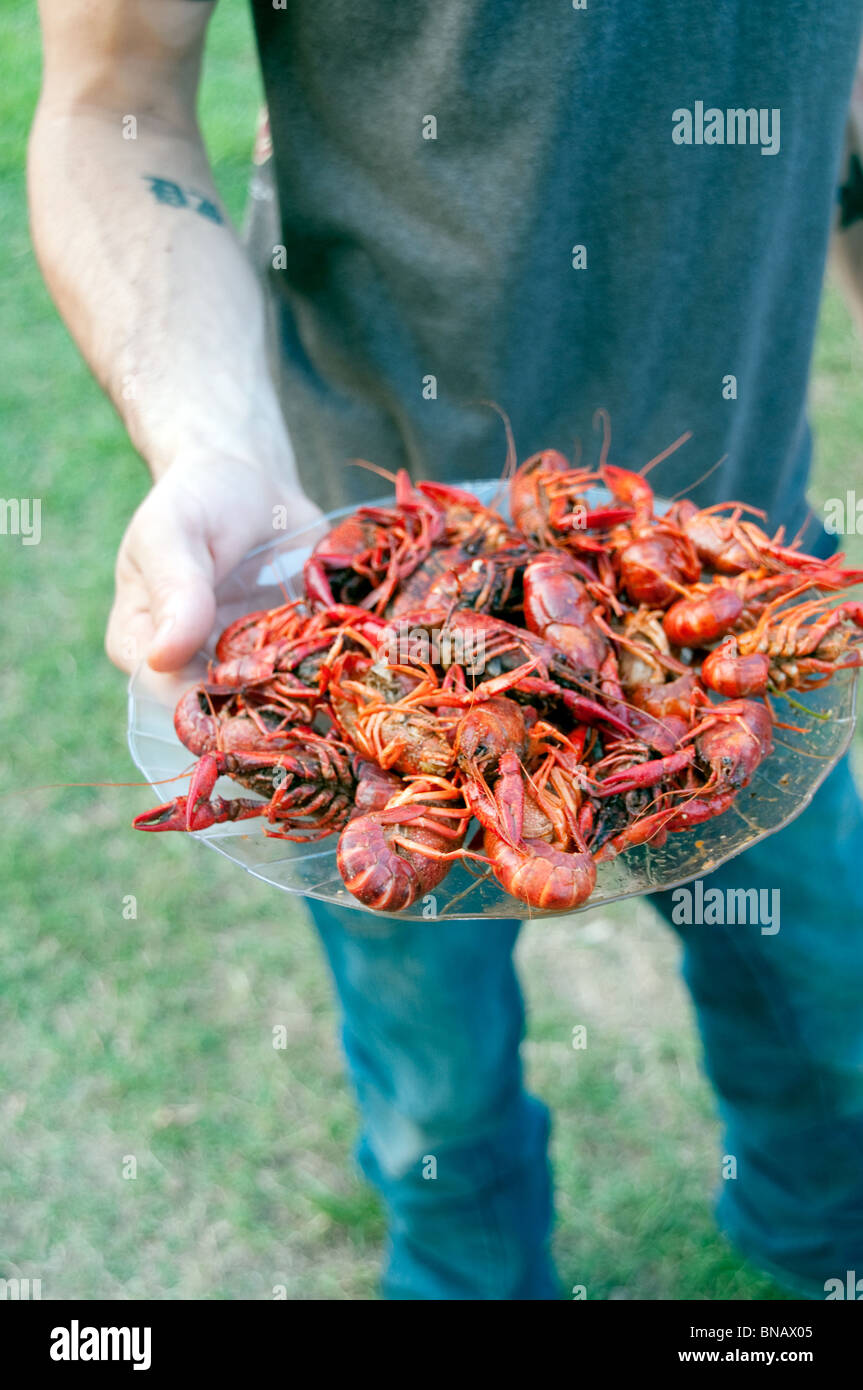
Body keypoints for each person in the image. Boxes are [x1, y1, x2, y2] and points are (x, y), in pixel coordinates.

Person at [29, 0, 863, 1300]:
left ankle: (828, 1240)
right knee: (434, 1098)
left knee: (830, 1021)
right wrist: (211, 445)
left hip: (734, 605)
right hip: (356, 569)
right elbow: (110, 98)